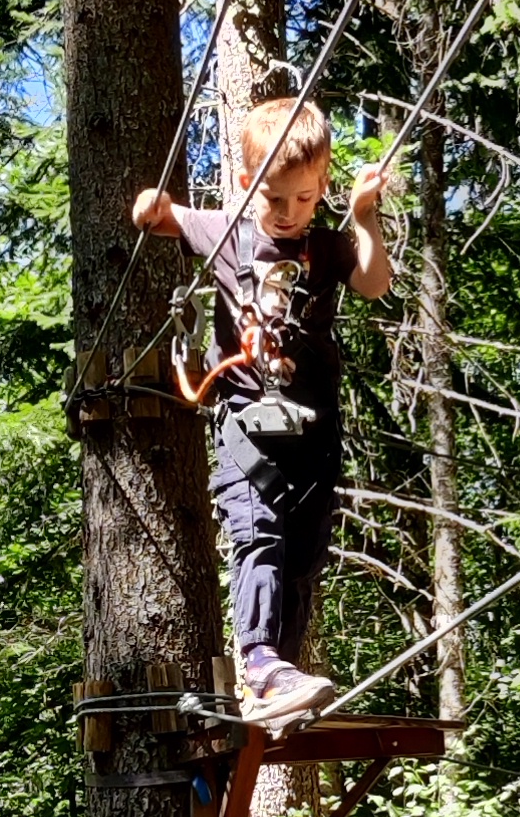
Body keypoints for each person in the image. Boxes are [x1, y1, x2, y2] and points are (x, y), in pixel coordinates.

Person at [133, 98, 393, 725]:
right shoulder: (227, 233)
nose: (288, 212)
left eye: (303, 198)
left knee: (303, 555)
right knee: (259, 534)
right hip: (249, 426)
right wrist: (149, 204)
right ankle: (259, 661)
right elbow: (163, 217)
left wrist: (363, 216)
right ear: (250, 184)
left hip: (314, 431)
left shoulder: (327, 247)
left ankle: (282, 676)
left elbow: (373, 283)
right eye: (275, 198)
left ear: (321, 188)